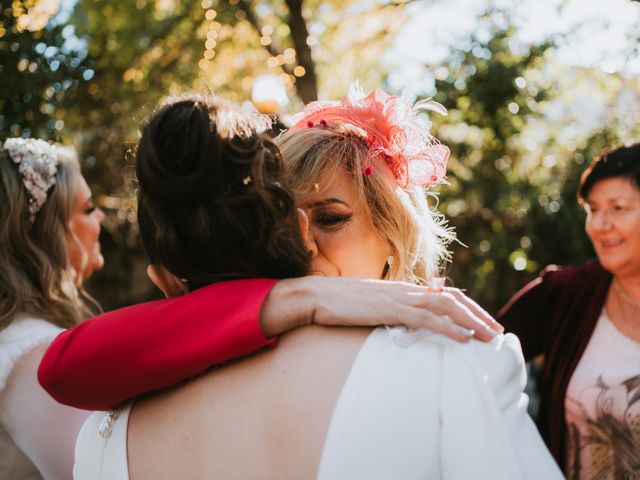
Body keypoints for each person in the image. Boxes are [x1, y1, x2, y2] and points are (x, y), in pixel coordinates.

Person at [74, 90, 562, 479]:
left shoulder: (109, 425)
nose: (303, 243)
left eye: (331, 218)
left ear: (396, 234)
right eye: (285, 219)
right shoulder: (453, 364)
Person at [498, 142, 640, 479]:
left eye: (618, 208)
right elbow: (477, 350)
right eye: (593, 209)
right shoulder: (563, 294)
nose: (600, 224)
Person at [0, 138, 100, 479]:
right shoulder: (33, 358)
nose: (100, 217)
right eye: (88, 209)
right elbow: (97, 470)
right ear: (50, 235)